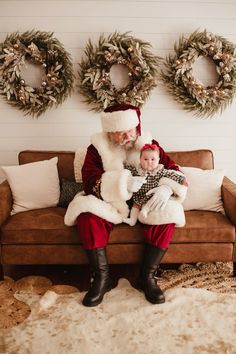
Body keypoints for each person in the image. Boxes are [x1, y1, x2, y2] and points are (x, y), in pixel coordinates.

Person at [65, 103, 187, 307]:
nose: (125, 138)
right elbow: (89, 181)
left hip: (145, 200)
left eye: (129, 131)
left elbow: (173, 168)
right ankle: (102, 279)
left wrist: (166, 188)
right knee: (87, 215)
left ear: (136, 127)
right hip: (111, 203)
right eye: (119, 134)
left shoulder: (149, 144)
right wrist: (122, 183)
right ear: (108, 132)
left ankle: (147, 277)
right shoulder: (96, 148)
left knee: (168, 214)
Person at [123, 144, 188, 226]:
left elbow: (171, 174)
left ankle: (145, 210)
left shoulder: (160, 171)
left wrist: (182, 180)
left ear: (158, 160)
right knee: (135, 206)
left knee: (153, 200)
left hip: (152, 194)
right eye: (145, 159)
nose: (149, 162)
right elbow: (127, 170)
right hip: (139, 195)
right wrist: (123, 165)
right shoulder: (137, 170)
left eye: (153, 159)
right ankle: (132, 220)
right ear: (140, 159)